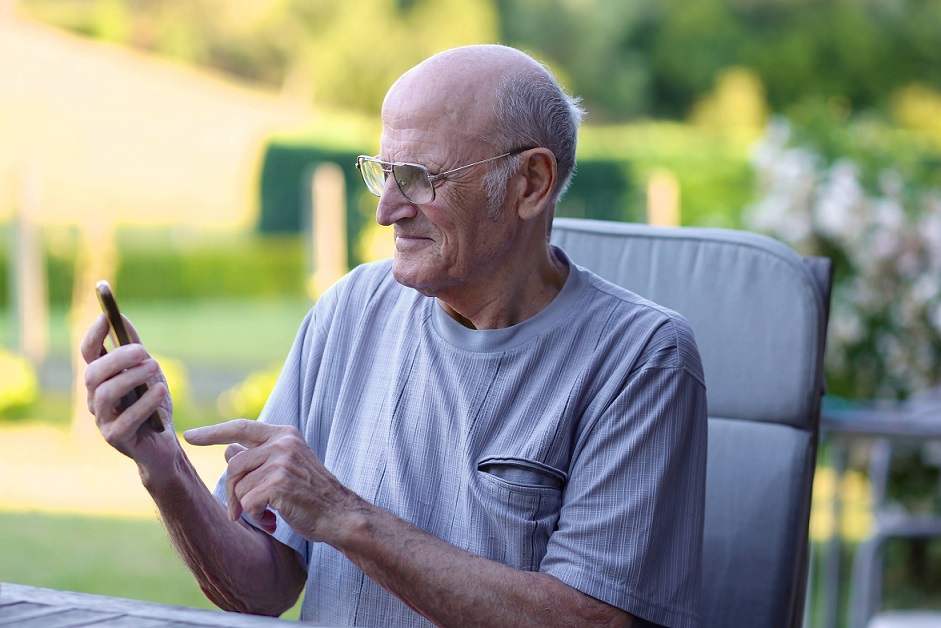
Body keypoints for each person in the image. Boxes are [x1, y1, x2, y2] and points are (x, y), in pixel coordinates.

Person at [83, 44, 707, 627]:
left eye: (419, 177)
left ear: (531, 184)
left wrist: (344, 517)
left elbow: (591, 618)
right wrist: (163, 468)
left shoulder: (642, 359)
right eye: (383, 172)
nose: (386, 209)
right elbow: (265, 586)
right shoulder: (353, 308)